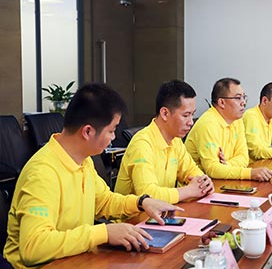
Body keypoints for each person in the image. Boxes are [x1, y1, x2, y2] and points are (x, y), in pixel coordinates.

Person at [3, 83, 182, 269]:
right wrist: (103, 233)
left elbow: (103, 201)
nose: (114, 138)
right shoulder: (42, 172)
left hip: (76, 259)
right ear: (87, 131)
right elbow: (33, 247)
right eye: (112, 131)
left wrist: (141, 202)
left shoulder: (83, 159)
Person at [115, 80, 214, 206]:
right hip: (133, 221)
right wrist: (189, 191)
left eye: (192, 115)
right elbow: (148, 196)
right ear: (165, 113)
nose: (191, 122)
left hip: (162, 216)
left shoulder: (175, 140)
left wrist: (204, 183)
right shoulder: (142, 144)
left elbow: (192, 171)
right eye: (186, 115)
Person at [185, 78, 272, 181]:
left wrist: (227, 164)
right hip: (200, 187)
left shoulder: (237, 120)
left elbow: (244, 157)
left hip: (223, 181)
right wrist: (249, 173)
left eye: (244, 97)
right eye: (238, 98)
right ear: (222, 102)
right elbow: (212, 169)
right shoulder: (208, 124)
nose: (243, 102)